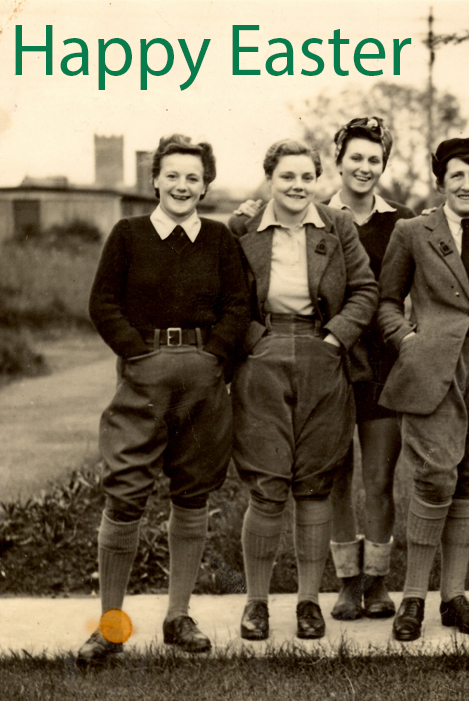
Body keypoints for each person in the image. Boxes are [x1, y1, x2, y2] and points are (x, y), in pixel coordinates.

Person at [231, 117, 415, 620]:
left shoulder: (400, 221)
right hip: (308, 363)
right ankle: (343, 583)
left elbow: (380, 290)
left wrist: (337, 336)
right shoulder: (279, 217)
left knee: (376, 480)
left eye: (373, 159)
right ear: (336, 162)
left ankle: (375, 581)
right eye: (354, 157)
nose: (363, 166)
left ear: (384, 165)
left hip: (370, 361)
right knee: (327, 480)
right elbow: (233, 287)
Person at [81, 134, 250, 664]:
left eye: (193, 178)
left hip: (203, 378)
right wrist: (137, 355)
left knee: (193, 493)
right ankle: (110, 626)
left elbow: (239, 303)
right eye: (172, 175)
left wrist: (215, 356)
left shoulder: (220, 239)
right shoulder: (128, 234)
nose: (182, 185)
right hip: (143, 375)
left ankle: (178, 616)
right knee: (126, 490)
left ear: (206, 185)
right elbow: (104, 302)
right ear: (155, 178)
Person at [378, 138, 469, 642]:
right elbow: (385, 300)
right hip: (432, 373)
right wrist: (408, 343)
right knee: (434, 479)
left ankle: (453, 598)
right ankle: (414, 599)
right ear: (441, 180)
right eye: (457, 175)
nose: (467, 185)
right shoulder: (412, 231)